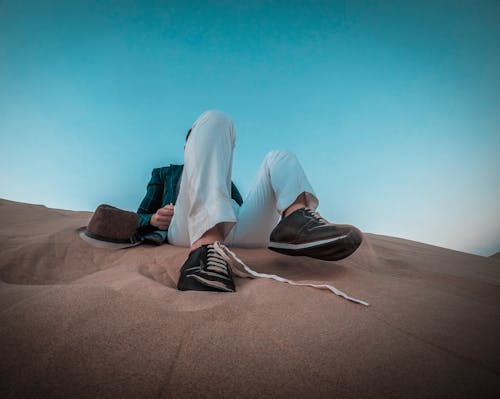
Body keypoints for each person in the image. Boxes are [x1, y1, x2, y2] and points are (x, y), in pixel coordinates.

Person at [137, 110, 363, 294]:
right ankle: (205, 253)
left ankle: (298, 219)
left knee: (279, 155)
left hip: (236, 228)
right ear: (188, 149)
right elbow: (140, 215)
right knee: (216, 119)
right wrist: (154, 219)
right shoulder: (164, 174)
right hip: (189, 229)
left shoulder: (226, 181)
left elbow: (240, 207)